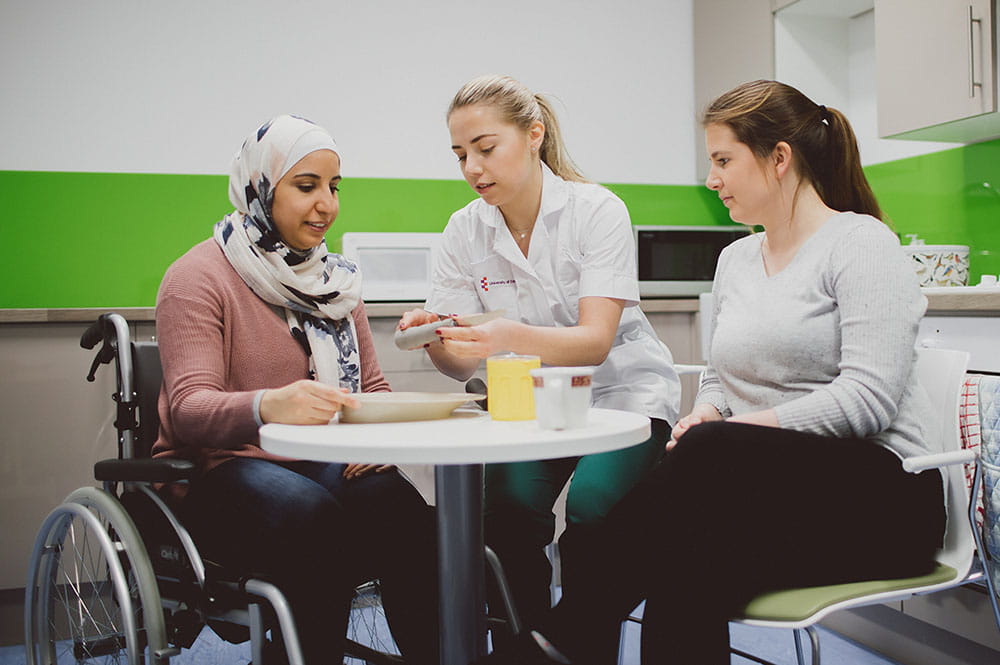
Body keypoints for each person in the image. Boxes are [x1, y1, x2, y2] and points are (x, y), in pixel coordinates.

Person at [475, 79, 948, 665]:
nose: (711, 178)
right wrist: (709, 409)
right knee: (685, 559)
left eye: (724, 160)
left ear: (779, 158)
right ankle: (556, 644)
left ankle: (552, 641)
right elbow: (725, 379)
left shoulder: (862, 245)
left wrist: (732, 432)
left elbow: (868, 400)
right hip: (766, 493)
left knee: (708, 456)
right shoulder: (736, 259)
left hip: (883, 500)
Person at [398, 74, 681, 658]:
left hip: (621, 397)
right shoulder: (463, 229)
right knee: (506, 510)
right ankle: (521, 648)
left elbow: (595, 342)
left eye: (485, 148)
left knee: (594, 507)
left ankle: (578, 650)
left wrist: (502, 333)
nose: (473, 168)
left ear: (533, 135)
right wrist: (433, 339)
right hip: (528, 404)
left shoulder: (596, 210)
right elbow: (458, 364)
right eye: (459, 155)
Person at [152, 114, 439, 665]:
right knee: (311, 518)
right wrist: (266, 405)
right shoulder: (197, 278)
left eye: (333, 188)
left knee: (403, 508)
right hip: (222, 468)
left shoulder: (334, 283)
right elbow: (189, 410)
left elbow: (371, 388)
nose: (326, 204)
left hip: (322, 460)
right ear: (261, 187)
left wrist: (377, 444)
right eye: (306, 187)